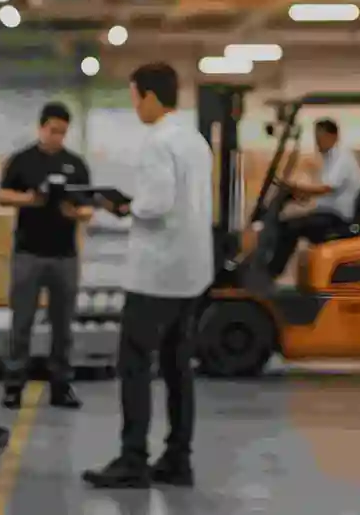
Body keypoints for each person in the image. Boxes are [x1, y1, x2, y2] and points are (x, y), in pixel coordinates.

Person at [83, 62, 213, 489]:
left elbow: (156, 204)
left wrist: (125, 207)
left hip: (156, 275)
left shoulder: (158, 141)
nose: (135, 106)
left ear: (151, 97)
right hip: (191, 273)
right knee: (178, 368)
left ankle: (133, 458)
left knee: (135, 365)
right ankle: (178, 458)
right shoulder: (194, 140)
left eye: (135, 97)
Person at [0, 102, 94, 410]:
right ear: (41, 128)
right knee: (21, 323)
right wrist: (30, 199)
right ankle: (14, 385)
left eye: (62, 132)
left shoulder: (75, 164)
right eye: (53, 131)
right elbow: (2, 195)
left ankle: (61, 386)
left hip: (64, 256)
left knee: (63, 327)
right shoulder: (22, 160)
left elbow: (88, 207)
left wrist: (74, 212)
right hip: (28, 254)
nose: (57, 137)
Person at [266, 118, 360, 277]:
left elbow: (326, 188)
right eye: (316, 138)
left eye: (320, 138)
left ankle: (271, 272)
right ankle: (272, 270)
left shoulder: (342, 158)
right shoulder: (331, 159)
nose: (318, 143)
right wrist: (298, 194)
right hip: (329, 214)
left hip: (337, 219)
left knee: (290, 227)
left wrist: (295, 186)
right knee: (287, 223)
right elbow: (324, 190)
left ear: (333, 136)